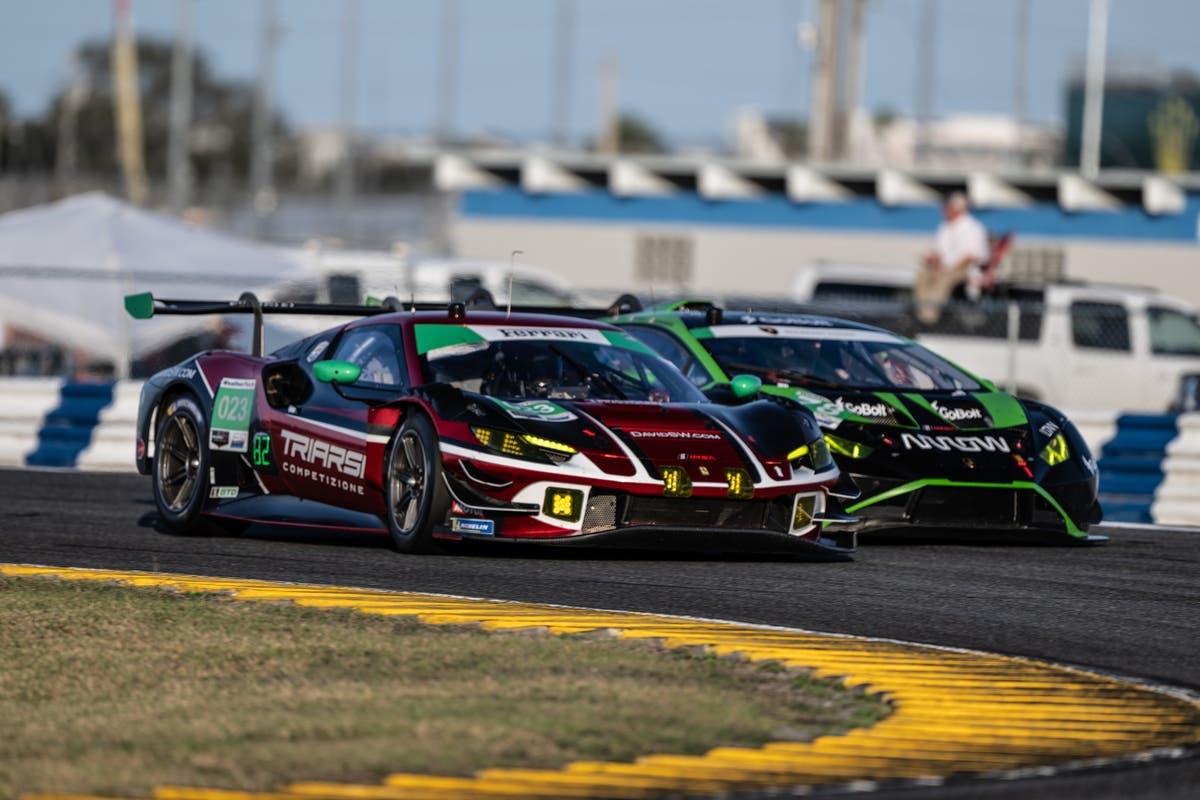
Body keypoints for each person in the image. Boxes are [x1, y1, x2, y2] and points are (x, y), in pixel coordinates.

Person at [915, 191, 989, 324]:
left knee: (944, 280)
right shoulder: (945, 227)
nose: (944, 210)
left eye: (948, 207)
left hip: (965, 270)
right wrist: (934, 262)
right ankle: (920, 314)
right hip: (945, 268)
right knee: (923, 275)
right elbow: (939, 251)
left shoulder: (973, 228)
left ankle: (929, 319)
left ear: (957, 209)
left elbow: (971, 257)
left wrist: (947, 270)